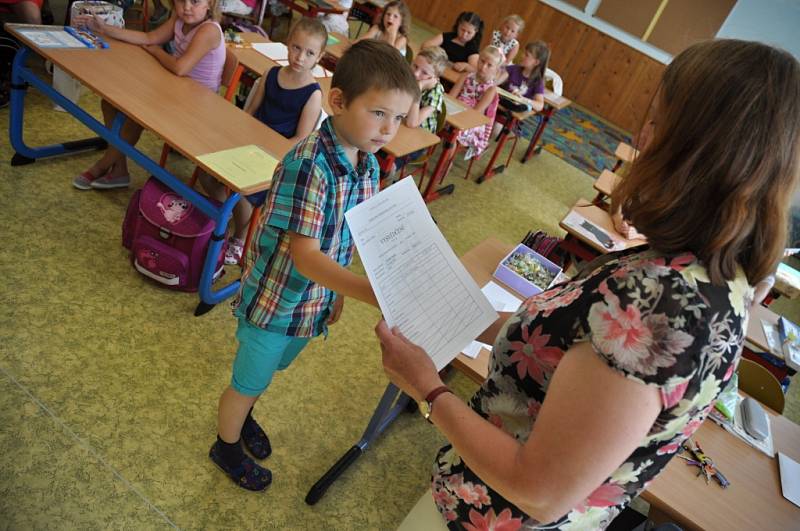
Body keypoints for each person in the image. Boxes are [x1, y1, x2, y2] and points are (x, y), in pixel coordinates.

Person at [381, 39, 800, 530]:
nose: (643, 135)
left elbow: (540, 490)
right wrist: (466, 317)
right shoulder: (710, 270)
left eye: (660, 121)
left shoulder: (661, 309)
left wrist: (428, 389)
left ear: (697, 154)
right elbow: (566, 345)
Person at [209, 39, 419, 491]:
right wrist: (369, 291)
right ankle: (225, 444)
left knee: (267, 373)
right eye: (379, 113)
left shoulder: (366, 164)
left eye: (398, 118)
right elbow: (304, 256)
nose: (388, 129)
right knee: (246, 381)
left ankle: (244, 417)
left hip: (312, 302)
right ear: (338, 101)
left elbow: (350, 236)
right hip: (275, 302)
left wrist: (338, 293)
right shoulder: (310, 166)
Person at [201, 17, 327, 265]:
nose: (300, 57)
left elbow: (299, 139)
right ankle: (221, 217)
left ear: (319, 57)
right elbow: (250, 113)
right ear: (288, 44)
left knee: (245, 194)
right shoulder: (271, 74)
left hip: (275, 159)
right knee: (206, 172)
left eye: (309, 53)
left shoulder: (313, 95)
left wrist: (263, 152)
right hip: (248, 145)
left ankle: (240, 235)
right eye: (296, 48)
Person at [72, 0, 225, 191]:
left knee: (136, 115)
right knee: (109, 103)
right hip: (176, 90)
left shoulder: (208, 30)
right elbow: (148, 36)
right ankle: (119, 169)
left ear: (210, 4)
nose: (186, 7)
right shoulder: (179, 19)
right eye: (181, 1)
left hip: (198, 106)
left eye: (194, 1)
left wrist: (156, 51)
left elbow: (180, 67)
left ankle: (101, 166)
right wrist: (103, 28)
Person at [449, 45, 502, 160]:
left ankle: (447, 162)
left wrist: (456, 118)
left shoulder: (490, 89)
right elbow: (451, 98)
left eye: (489, 65)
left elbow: (476, 112)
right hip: (455, 111)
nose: (483, 67)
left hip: (472, 121)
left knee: (455, 132)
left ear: (496, 70)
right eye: (482, 61)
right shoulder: (466, 76)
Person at [493, 40, 549, 137]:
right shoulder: (514, 68)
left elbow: (540, 105)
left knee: (496, 130)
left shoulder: (537, 82)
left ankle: (512, 130)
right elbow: (495, 82)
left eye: (527, 55)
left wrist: (523, 99)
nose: (522, 56)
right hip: (498, 104)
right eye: (524, 53)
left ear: (536, 62)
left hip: (510, 112)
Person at [405, 45, 447, 134]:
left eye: (424, 72)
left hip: (421, 136)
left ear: (434, 77)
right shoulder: (410, 76)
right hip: (403, 124)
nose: (416, 74)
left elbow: (412, 123)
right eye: (415, 66)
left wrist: (418, 88)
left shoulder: (436, 92)